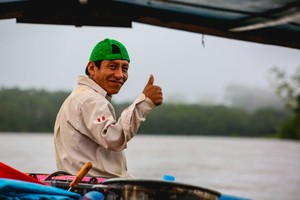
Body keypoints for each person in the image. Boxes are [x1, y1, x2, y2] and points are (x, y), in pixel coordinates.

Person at [54, 38, 163, 178]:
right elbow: (114, 138)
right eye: (112, 66)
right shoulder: (91, 100)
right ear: (92, 68)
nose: (120, 75)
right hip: (93, 189)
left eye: (124, 68)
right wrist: (145, 102)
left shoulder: (80, 97)